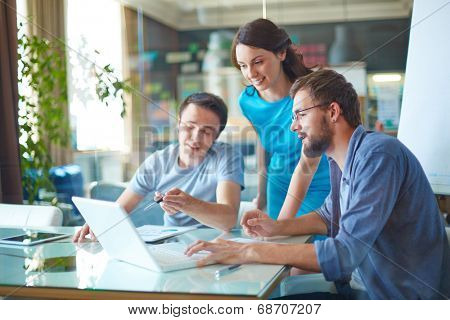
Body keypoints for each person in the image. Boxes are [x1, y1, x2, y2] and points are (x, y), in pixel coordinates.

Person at [186, 70, 450, 299]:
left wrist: (248, 251)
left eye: (300, 114)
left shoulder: (378, 155)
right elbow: (328, 216)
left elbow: (344, 253)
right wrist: (277, 226)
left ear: (333, 111)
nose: (293, 127)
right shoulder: (341, 159)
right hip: (362, 291)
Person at [73, 92, 244, 242]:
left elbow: (228, 220)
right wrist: (98, 224)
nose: (195, 137)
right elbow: (120, 210)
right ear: (178, 124)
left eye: (206, 132)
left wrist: (187, 204)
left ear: (217, 136)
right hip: (174, 245)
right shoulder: (158, 161)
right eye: (189, 127)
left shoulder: (227, 157)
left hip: (216, 245)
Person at [231, 18, 330, 220]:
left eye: (258, 62)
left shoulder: (311, 93)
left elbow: (311, 160)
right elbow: (263, 142)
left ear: (281, 53)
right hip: (278, 184)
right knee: (278, 245)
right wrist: (261, 193)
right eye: (243, 65)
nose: (251, 74)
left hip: (319, 183)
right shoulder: (247, 101)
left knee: (305, 245)